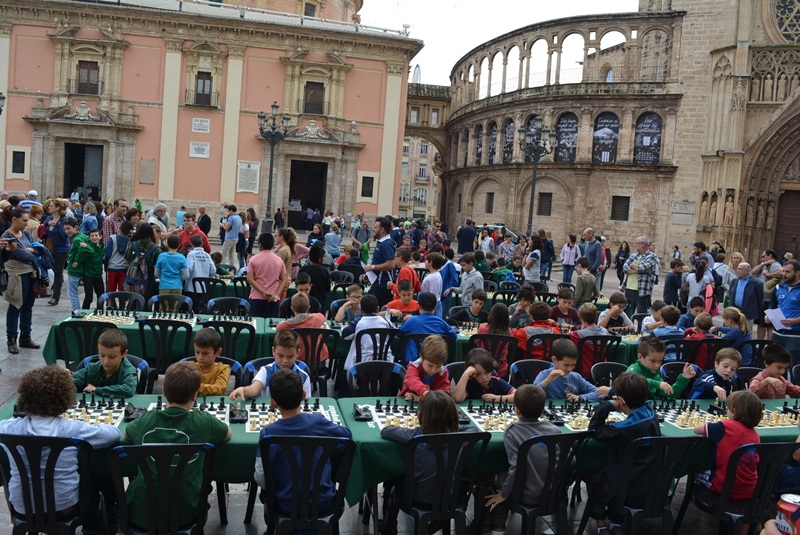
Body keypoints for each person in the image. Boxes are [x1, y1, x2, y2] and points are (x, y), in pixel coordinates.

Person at [0, 366, 120, 530]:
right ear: (65, 398)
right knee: (96, 477)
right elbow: (113, 434)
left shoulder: (8, 429)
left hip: (22, 507)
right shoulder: (73, 429)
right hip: (64, 507)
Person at [124, 362, 231, 529]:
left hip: (142, 512)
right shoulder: (203, 421)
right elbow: (227, 434)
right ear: (195, 396)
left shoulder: (147, 419)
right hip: (187, 511)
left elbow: (127, 434)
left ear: (164, 392)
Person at [253, 368, 352, 516]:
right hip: (323, 502)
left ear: (273, 403)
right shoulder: (318, 422)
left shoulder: (267, 433)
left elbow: (260, 477)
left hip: (284, 504)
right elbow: (347, 436)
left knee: (265, 494)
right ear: (304, 395)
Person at [380, 391, 477, 534]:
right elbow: (473, 429)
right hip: (451, 499)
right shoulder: (460, 438)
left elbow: (386, 431)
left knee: (393, 480)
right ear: (453, 415)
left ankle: (389, 527)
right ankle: (437, 524)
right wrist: (454, 430)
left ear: (422, 415)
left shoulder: (415, 434)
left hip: (415, 498)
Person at [480, 385, 561, 533]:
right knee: (508, 477)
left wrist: (504, 494)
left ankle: (488, 526)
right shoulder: (555, 430)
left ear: (517, 410)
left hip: (526, 494)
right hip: (553, 492)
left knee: (486, 478)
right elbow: (571, 461)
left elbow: (515, 468)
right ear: (543, 409)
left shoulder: (512, 432)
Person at [586, 373, 661, 534]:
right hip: (651, 485)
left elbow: (594, 430)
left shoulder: (623, 429)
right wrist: (616, 393)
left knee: (593, 473)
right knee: (617, 471)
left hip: (628, 490)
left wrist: (607, 406)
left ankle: (601, 526)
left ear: (620, 400)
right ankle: (615, 523)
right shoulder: (651, 413)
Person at [693, 390, 761, 501]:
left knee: (696, 471)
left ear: (733, 412)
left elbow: (697, 429)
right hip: (749, 490)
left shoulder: (724, 426)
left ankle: (702, 500)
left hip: (722, 487)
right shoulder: (755, 435)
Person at [2, 208, 43, 353]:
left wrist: (31, 250)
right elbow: (23, 254)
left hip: (30, 273)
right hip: (17, 275)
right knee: (15, 306)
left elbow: (38, 249)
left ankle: (25, 336)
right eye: (24, 221)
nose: (26, 224)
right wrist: (31, 251)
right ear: (14, 220)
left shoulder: (25, 234)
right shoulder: (6, 236)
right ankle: (11, 339)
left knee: (28, 306)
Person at [230, 330, 313, 399]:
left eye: (290, 356)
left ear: (297, 353)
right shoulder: (265, 371)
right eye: (280, 356)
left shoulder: (303, 377)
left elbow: (306, 402)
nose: (285, 361)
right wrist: (243, 390)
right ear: (273, 351)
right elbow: (254, 389)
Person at [534, 338, 608, 401]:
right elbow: (532, 395)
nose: (570, 369)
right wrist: (548, 380)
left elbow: (600, 392)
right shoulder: (545, 375)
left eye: (573, 365)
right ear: (554, 359)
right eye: (566, 365)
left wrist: (580, 397)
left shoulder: (575, 377)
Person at [626, 335, 696, 399]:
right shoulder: (634, 368)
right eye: (653, 361)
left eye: (660, 361)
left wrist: (684, 378)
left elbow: (670, 394)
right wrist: (657, 384)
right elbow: (631, 381)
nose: (657, 365)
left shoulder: (656, 375)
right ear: (640, 357)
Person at [398, 292, 457, 363]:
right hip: (436, 362)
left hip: (413, 362)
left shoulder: (412, 320)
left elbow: (399, 333)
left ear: (419, 306)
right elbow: (453, 336)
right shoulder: (440, 322)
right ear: (435, 307)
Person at [342, 294, 395, 371]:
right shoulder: (386, 321)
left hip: (362, 363)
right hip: (385, 362)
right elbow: (393, 332)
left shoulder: (358, 322)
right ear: (378, 309)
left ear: (361, 310)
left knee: (342, 362)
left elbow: (345, 335)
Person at [276, 292, 329, 366]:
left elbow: (278, 328)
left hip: (298, 363)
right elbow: (322, 317)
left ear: (292, 308)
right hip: (319, 362)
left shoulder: (287, 325)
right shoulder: (317, 318)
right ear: (309, 308)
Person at [766, 259, 800, 368]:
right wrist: (768, 316)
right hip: (777, 332)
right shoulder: (778, 287)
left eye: (788, 272)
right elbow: (772, 305)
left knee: (792, 365)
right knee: (775, 363)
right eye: (784, 271)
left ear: (797, 273)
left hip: (794, 334)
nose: (784, 274)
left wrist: (796, 320)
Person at [247, 233, 289, 318]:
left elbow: (250, 279)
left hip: (257, 296)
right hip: (273, 297)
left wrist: (263, 292)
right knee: (271, 325)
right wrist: (277, 295)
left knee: (256, 323)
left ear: (260, 245)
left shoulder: (253, 259)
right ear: (273, 246)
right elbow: (284, 279)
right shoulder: (279, 260)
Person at [399, 335, 451, 401]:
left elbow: (444, 397)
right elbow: (413, 381)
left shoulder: (442, 372)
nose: (433, 370)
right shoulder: (413, 367)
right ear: (421, 357)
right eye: (430, 365)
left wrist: (420, 399)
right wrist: (426, 394)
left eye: (438, 366)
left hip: (432, 407)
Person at [123, 222, 161, 300]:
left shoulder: (132, 245)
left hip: (132, 277)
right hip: (148, 278)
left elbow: (126, 261)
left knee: (133, 301)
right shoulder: (155, 248)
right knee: (146, 301)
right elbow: (158, 265)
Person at [569, 303, 609, 377]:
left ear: (583, 321)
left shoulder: (578, 335)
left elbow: (564, 337)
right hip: (602, 369)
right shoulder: (605, 332)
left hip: (584, 370)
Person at [43, 198, 70, 305]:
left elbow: (65, 236)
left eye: (51, 206)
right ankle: (50, 289)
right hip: (50, 248)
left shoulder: (64, 220)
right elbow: (43, 232)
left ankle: (56, 297)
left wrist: (57, 225)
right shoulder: (48, 218)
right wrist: (46, 225)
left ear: (58, 208)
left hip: (61, 250)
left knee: (58, 272)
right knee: (52, 271)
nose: (49, 207)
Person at [364, 218, 396, 308]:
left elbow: (391, 264)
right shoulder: (382, 243)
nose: (373, 229)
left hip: (383, 286)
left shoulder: (387, 244)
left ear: (382, 230)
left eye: (375, 227)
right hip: (378, 284)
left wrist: (372, 267)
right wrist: (371, 273)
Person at [622, 236, 659, 314]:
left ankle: (640, 326)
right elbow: (625, 268)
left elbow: (642, 268)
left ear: (643, 244)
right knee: (627, 312)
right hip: (629, 287)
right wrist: (636, 269)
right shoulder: (633, 255)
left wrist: (632, 266)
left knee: (641, 313)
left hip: (642, 289)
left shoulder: (652, 256)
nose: (635, 245)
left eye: (637, 243)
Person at [754, 249, 784, 340]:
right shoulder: (766, 265)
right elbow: (753, 272)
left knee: (769, 325)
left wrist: (769, 274)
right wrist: (763, 264)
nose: (762, 258)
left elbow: (782, 272)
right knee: (761, 323)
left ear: (770, 256)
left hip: (769, 299)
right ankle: (760, 344)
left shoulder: (775, 265)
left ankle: (768, 343)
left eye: (763, 256)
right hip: (763, 299)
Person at [191, 328, 230, 396]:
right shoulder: (190, 367)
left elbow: (219, 389)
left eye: (205, 353)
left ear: (218, 352)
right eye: (197, 352)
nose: (200, 357)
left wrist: (194, 387)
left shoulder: (223, 369)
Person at [478, 303, 512, 377]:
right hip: (501, 369)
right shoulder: (509, 332)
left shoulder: (482, 329)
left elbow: (478, 346)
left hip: (483, 367)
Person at [728, 260, 763, 333]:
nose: (738, 271)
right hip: (735, 310)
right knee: (733, 331)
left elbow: (760, 299)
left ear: (748, 271)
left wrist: (756, 312)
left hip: (748, 312)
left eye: (741, 269)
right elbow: (731, 295)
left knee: (745, 332)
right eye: (737, 268)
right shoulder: (734, 281)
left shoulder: (756, 283)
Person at [184, 234, 216, 312]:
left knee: (189, 308)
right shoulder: (207, 255)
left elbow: (190, 268)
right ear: (202, 243)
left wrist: (185, 278)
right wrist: (209, 278)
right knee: (199, 309)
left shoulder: (191, 254)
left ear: (191, 243)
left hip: (191, 286)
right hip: (203, 286)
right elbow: (213, 270)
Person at [77, 228, 106, 310]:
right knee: (89, 297)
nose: (94, 237)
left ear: (100, 236)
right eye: (92, 236)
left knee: (102, 295)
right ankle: (84, 312)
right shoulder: (87, 247)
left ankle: (100, 312)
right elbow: (80, 259)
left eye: (96, 235)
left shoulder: (103, 247)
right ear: (89, 238)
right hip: (88, 275)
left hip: (98, 275)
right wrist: (81, 249)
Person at [298, 246, 331, 313]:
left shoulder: (303, 269)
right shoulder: (324, 271)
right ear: (320, 259)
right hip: (320, 303)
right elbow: (328, 288)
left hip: (304, 302)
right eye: (323, 257)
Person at [64, 219, 87, 311]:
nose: (67, 231)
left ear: (76, 227)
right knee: (73, 292)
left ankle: (76, 311)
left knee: (72, 293)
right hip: (79, 269)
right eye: (65, 229)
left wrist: (77, 261)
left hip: (74, 270)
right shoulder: (82, 236)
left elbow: (83, 251)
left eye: (68, 228)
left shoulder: (77, 239)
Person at [104, 220, 133, 292]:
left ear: (120, 228)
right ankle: (122, 303)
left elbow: (108, 254)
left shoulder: (112, 238)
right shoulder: (130, 241)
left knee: (111, 290)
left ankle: (110, 303)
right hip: (124, 268)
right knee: (122, 290)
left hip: (112, 267)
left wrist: (105, 264)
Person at [422, 252, 445, 317]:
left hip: (431, 309)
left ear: (431, 262)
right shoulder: (432, 275)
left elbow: (433, 296)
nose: (425, 262)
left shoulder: (435, 278)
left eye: (426, 260)